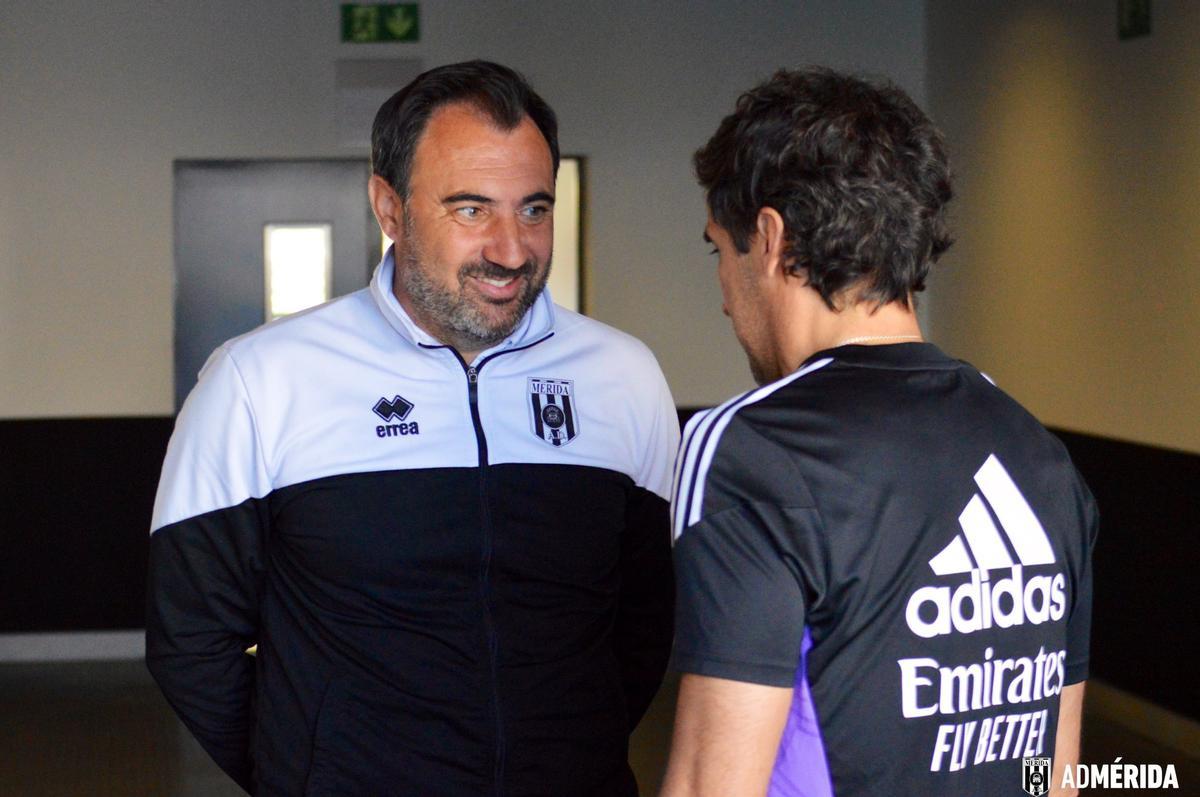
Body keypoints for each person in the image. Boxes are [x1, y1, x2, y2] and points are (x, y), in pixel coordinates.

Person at [147, 60, 678, 796]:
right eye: (471, 209)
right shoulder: (260, 380)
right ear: (389, 208)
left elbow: (646, 622)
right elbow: (191, 639)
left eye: (534, 209)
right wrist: (309, 772)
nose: (511, 249)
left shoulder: (623, 376)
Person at [661, 68, 1097, 797]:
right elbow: (1057, 775)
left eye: (718, 251)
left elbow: (713, 784)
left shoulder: (749, 449)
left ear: (768, 239)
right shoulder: (1039, 456)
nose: (723, 298)